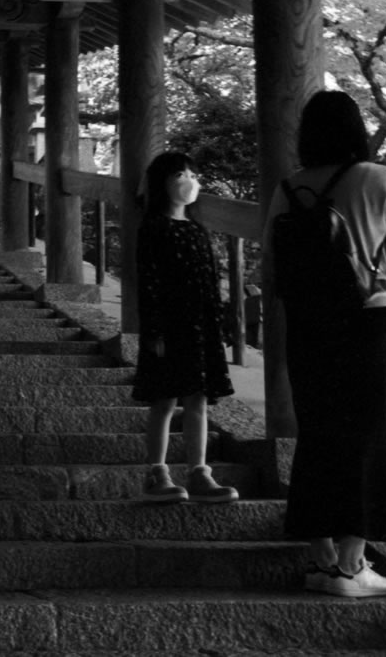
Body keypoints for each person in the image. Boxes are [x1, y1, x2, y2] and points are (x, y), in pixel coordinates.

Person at [263, 90, 386, 597]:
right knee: (374, 436)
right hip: (366, 326)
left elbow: (271, 271)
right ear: (356, 130)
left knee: (319, 433)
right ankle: (352, 565)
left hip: (310, 329)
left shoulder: (289, 187)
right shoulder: (380, 179)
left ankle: (321, 559)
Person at [133, 151, 239, 505]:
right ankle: (157, 472)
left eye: (194, 173)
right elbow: (148, 284)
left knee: (198, 399)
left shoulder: (196, 230)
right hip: (169, 326)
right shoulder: (152, 229)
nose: (190, 180)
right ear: (162, 182)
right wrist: (154, 332)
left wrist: (220, 325)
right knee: (164, 400)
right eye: (181, 173)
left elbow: (210, 283)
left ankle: (199, 471)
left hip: (200, 327)